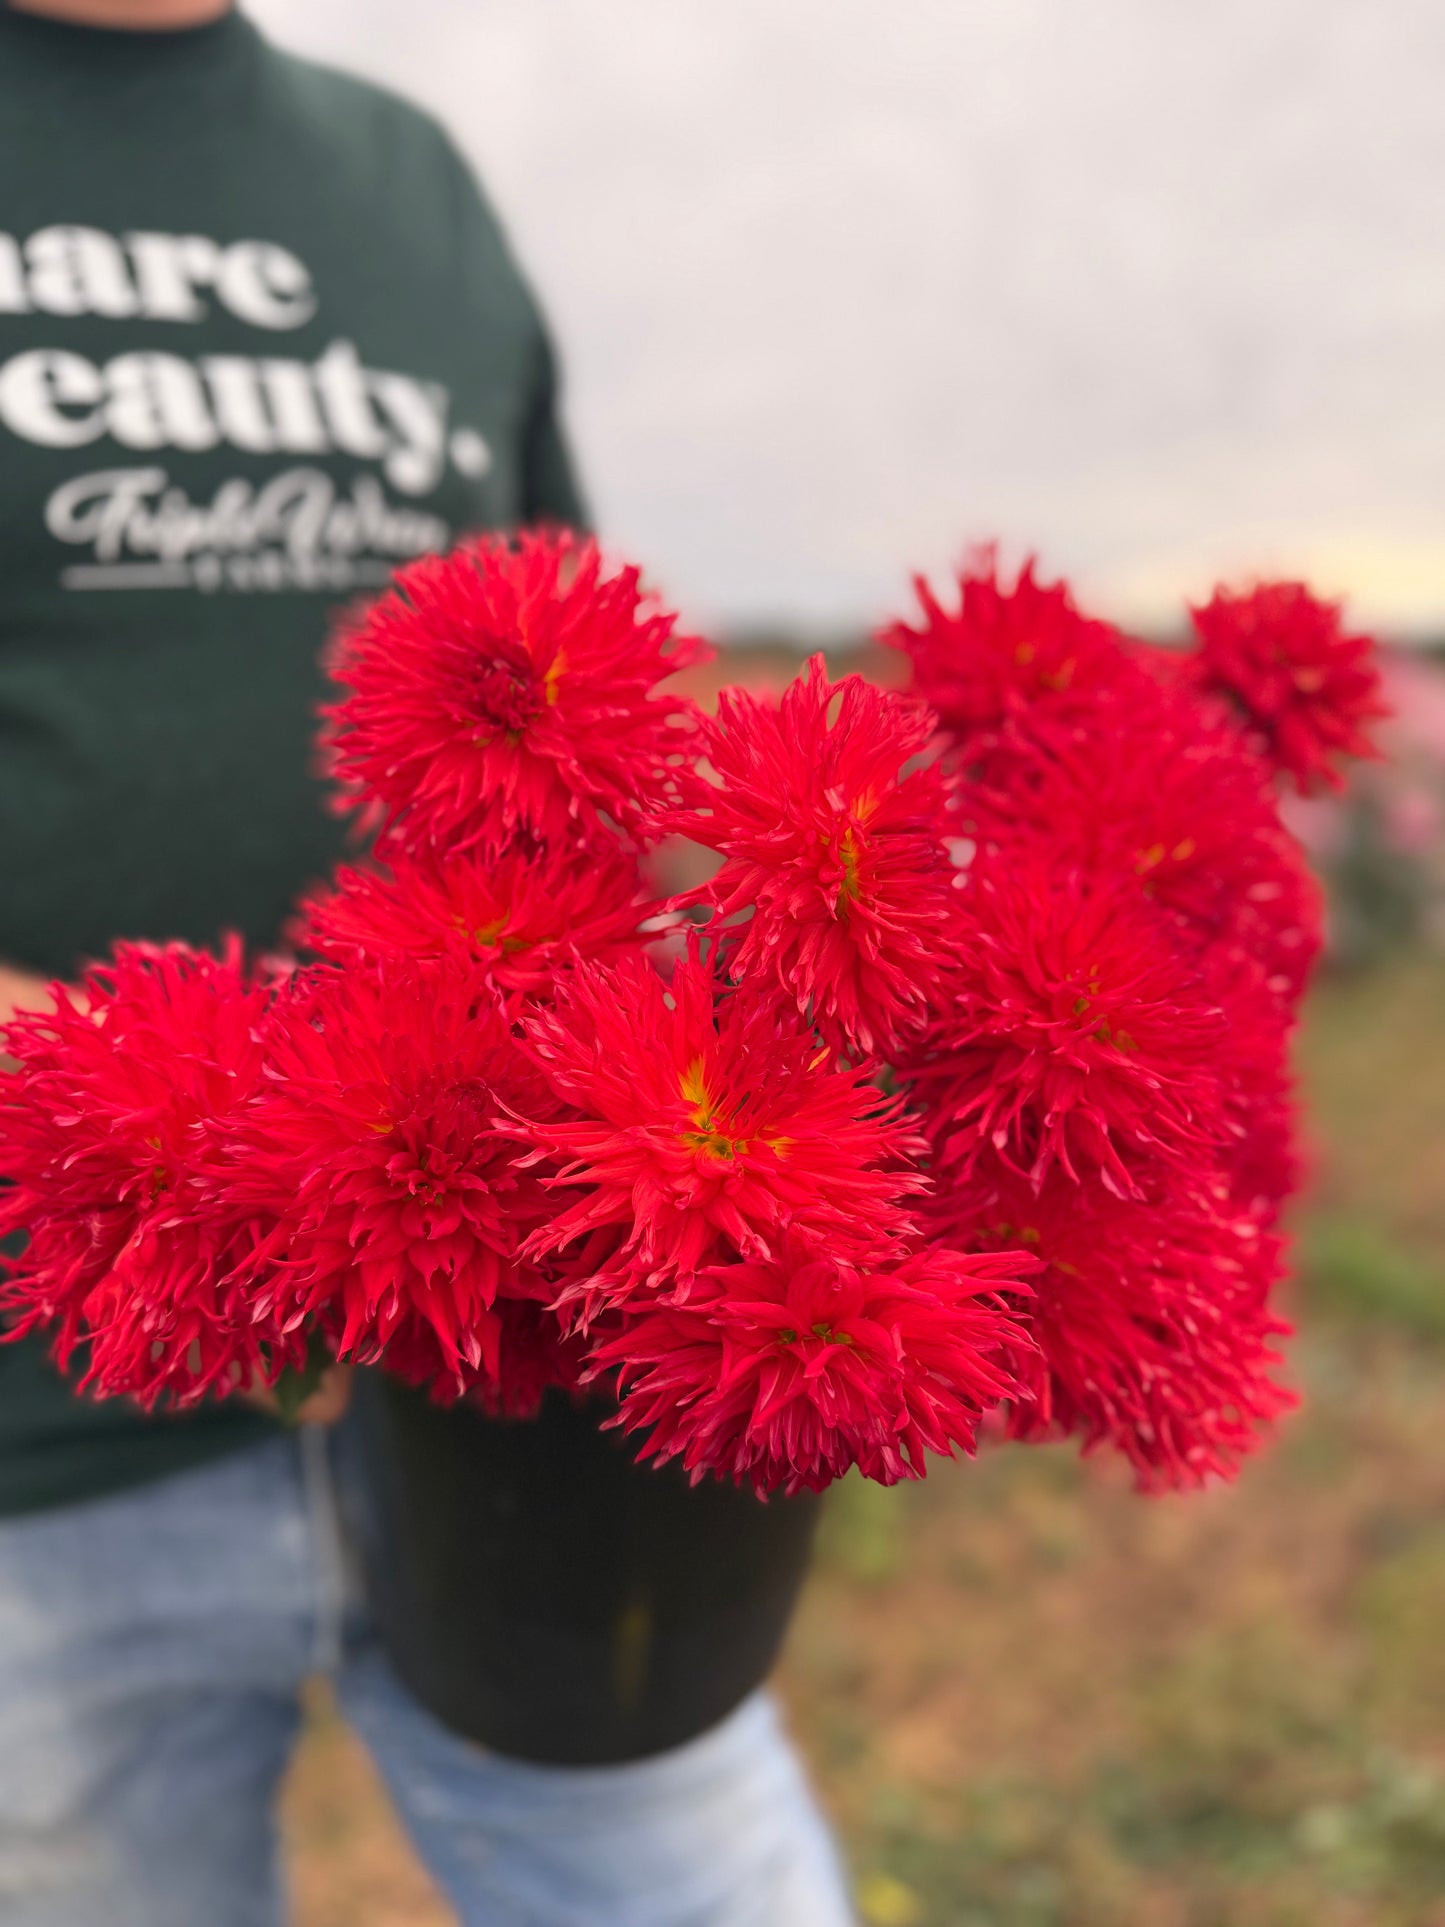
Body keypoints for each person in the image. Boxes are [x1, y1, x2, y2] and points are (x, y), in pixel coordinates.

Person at [0, 3, 856, 1921]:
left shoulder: (407, 185)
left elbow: (589, 668)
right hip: (46, 1424)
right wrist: (111, 1097)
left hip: (541, 1384)